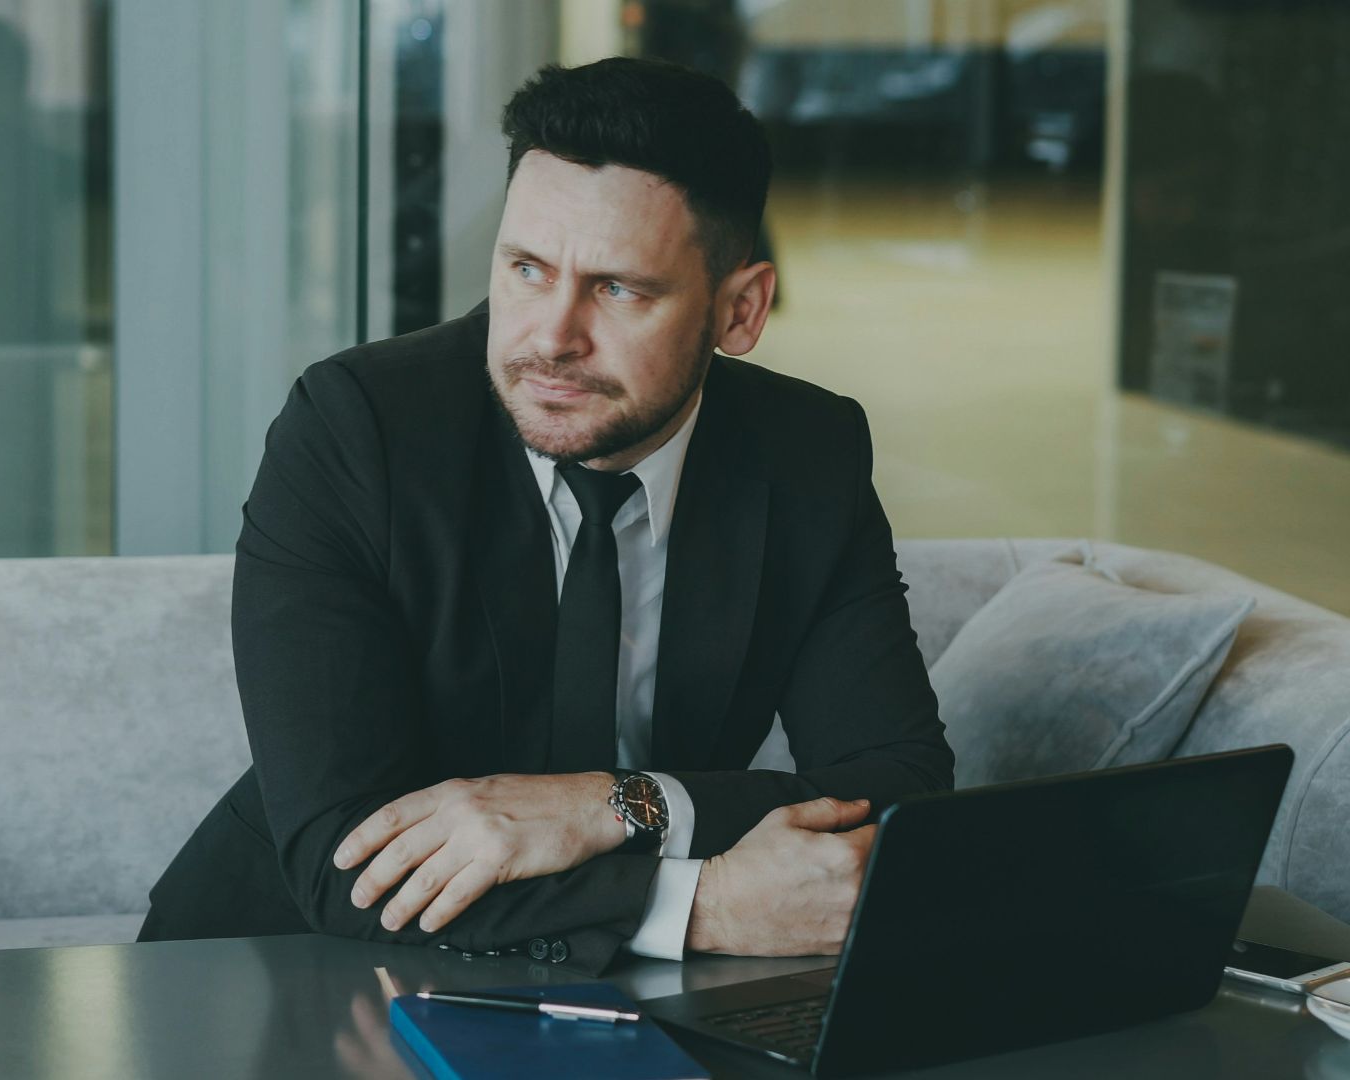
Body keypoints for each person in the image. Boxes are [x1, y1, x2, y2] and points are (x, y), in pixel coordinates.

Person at [138, 57, 952, 976]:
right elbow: (345, 855)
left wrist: (613, 804)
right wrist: (700, 902)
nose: (552, 338)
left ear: (741, 309)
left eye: (618, 289)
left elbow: (899, 785)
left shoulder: (807, 452)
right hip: (285, 969)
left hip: (631, 1001)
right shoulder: (355, 430)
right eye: (527, 269)